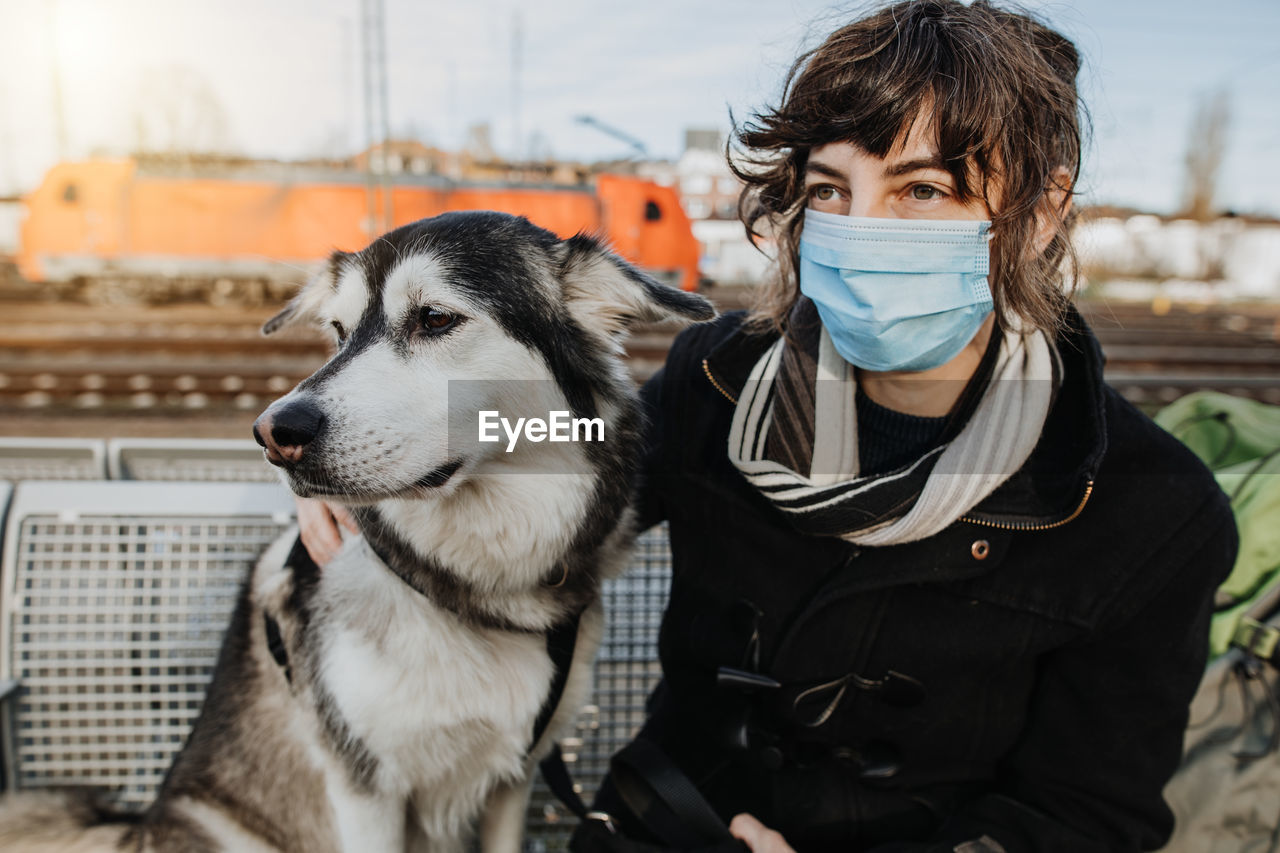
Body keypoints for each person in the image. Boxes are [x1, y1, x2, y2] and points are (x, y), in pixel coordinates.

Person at [296, 2, 1238, 850]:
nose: (860, 225)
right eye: (830, 188)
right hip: (673, 819)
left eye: (923, 190)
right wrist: (361, 439)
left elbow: (1083, 818)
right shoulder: (716, 381)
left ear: (1038, 214)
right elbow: (555, 441)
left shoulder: (1145, 513)